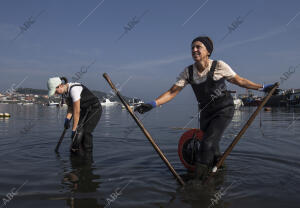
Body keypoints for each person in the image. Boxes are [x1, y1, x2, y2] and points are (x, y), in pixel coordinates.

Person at [135, 36, 274, 180]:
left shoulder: (219, 66)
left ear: (208, 51)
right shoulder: (188, 72)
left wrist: (262, 88)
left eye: (198, 47)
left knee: (207, 142)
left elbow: (240, 81)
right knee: (212, 147)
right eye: (192, 47)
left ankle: (199, 181)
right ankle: (220, 174)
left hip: (223, 109)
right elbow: (172, 92)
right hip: (206, 112)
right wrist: (152, 104)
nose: (194, 50)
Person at [47, 77, 102, 154]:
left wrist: (74, 130)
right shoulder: (65, 93)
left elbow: (76, 112)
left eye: (55, 91)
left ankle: (88, 153)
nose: (55, 93)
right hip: (85, 109)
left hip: (95, 108)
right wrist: (67, 119)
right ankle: (78, 150)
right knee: (79, 131)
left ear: (60, 86)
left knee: (86, 132)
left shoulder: (74, 90)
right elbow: (70, 108)